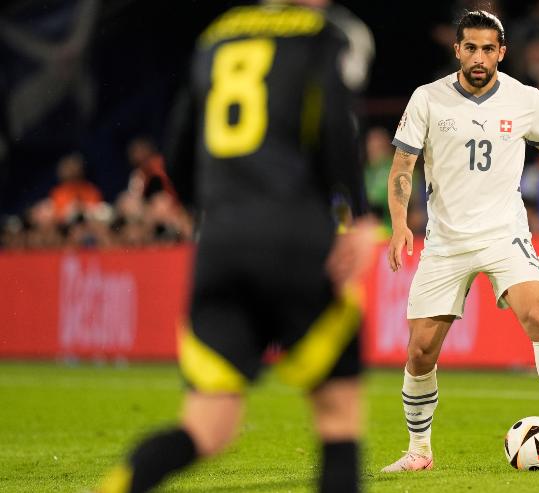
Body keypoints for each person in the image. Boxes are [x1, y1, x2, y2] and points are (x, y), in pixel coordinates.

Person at [96, 1, 375, 492]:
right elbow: (334, 123)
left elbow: (179, 141)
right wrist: (361, 215)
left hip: (222, 245)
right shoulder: (322, 34)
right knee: (337, 416)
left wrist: (204, 210)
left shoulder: (217, 35)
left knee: (206, 426)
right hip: (296, 240)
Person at [382, 10, 539, 472]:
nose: (479, 57)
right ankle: (419, 451)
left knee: (537, 313)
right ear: (457, 50)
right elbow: (402, 168)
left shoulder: (525, 99)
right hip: (445, 241)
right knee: (421, 351)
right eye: (471, 47)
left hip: (505, 233)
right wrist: (399, 223)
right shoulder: (428, 99)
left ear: (502, 52)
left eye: (488, 49)